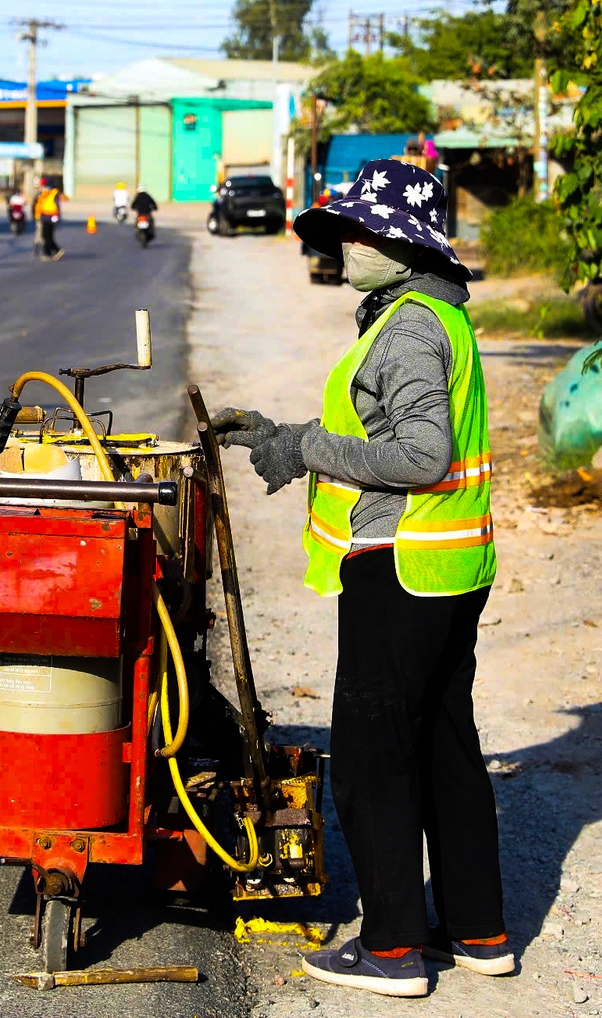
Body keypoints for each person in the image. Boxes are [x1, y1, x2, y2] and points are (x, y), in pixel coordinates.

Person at [214, 160, 506, 999]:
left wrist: (306, 448)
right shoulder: (431, 315)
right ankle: (479, 933)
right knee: (447, 747)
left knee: (374, 760)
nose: (338, 242)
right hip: (451, 566)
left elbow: (421, 455)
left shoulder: (409, 327)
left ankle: (391, 951)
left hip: (401, 568)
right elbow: (374, 428)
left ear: (397, 243)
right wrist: (288, 435)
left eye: (353, 229)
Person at [33, 176, 62, 261]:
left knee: (47, 236)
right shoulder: (43, 194)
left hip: (51, 218)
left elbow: (57, 207)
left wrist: (57, 218)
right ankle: (57, 250)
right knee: (46, 236)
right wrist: (37, 216)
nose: (43, 187)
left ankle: (48, 253)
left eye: (45, 185)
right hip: (44, 217)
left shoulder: (54, 194)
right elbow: (39, 205)